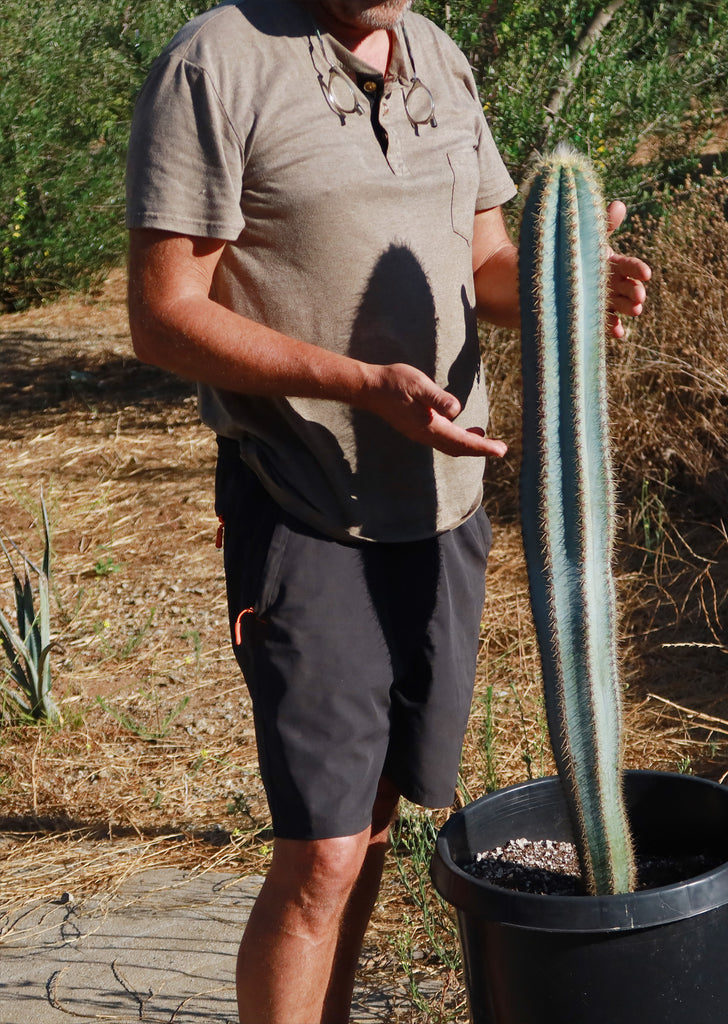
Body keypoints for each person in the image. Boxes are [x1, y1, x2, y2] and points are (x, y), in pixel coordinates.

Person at [125, 0, 651, 1020]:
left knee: (369, 829)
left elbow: (485, 266)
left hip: (443, 509)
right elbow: (163, 314)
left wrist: (573, 279)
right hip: (304, 503)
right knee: (321, 850)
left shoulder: (437, 57)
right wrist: (360, 386)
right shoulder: (216, 63)